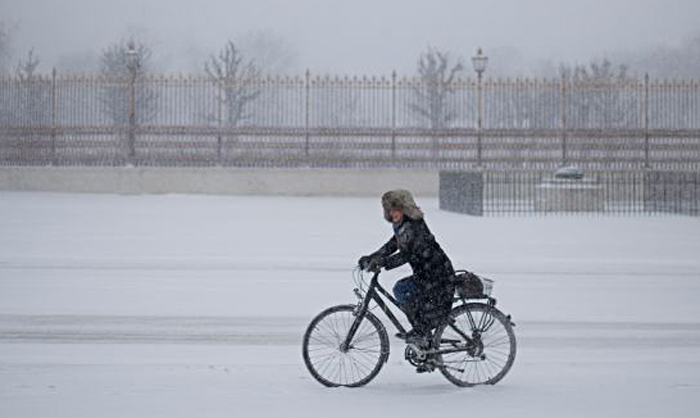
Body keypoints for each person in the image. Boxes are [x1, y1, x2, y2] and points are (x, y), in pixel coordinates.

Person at [358, 189, 455, 347]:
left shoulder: (413, 225)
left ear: (404, 208)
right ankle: (424, 338)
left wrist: (383, 262)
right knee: (404, 291)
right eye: (390, 210)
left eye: (396, 209)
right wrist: (374, 257)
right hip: (427, 274)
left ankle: (421, 331)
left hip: (437, 274)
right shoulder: (402, 225)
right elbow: (394, 244)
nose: (393, 213)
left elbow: (408, 255)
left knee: (402, 289)